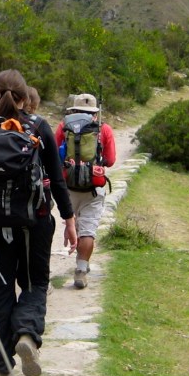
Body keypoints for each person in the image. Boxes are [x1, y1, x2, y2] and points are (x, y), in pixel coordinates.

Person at [0, 69, 77, 376]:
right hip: (35, 221)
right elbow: (58, 178)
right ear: (25, 97)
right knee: (35, 284)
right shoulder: (39, 127)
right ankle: (26, 332)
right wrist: (69, 220)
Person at [55, 93, 117, 289]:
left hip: (67, 187)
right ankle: (81, 270)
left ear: (73, 109)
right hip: (93, 187)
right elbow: (112, 159)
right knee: (87, 230)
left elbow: (53, 153)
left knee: (71, 221)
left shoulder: (62, 126)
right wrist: (95, 164)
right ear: (95, 112)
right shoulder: (103, 128)